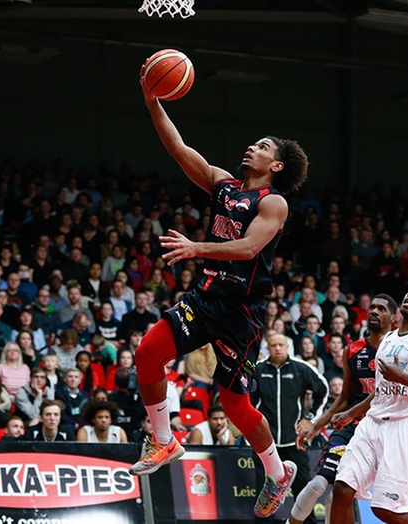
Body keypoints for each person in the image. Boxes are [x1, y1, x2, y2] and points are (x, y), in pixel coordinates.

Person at [130, 56, 309, 521]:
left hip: (242, 312)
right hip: (206, 297)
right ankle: (164, 439)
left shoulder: (275, 202)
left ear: (277, 163)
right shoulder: (223, 184)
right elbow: (178, 148)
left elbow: (249, 249)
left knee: (233, 402)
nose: (252, 147)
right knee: (148, 353)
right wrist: (153, 101)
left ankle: (276, 471)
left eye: (262, 145)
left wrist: (196, 247)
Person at [330, 282, 408, 524]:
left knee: (387, 510)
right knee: (342, 490)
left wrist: (402, 377)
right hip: (372, 423)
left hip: (404, 427)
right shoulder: (388, 339)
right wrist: (350, 413)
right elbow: (380, 391)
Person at [289, 294, 397, 524]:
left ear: (394, 317)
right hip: (353, 426)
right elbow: (345, 397)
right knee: (321, 483)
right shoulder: (353, 350)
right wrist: (315, 427)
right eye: (373, 308)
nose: (375, 312)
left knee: (387, 500)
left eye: (382, 309)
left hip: (387, 429)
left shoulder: (399, 347)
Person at [252, 332, 328, 524]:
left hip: (294, 441)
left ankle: (308, 522)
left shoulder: (301, 368)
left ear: (288, 346)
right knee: (265, 492)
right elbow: (247, 401)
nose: (277, 348)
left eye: (281, 345)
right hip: (266, 444)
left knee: (303, 488)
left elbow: (323, 389)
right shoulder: (258, 370)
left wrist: (310, 419)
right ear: (267, 348)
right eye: (273, 345)